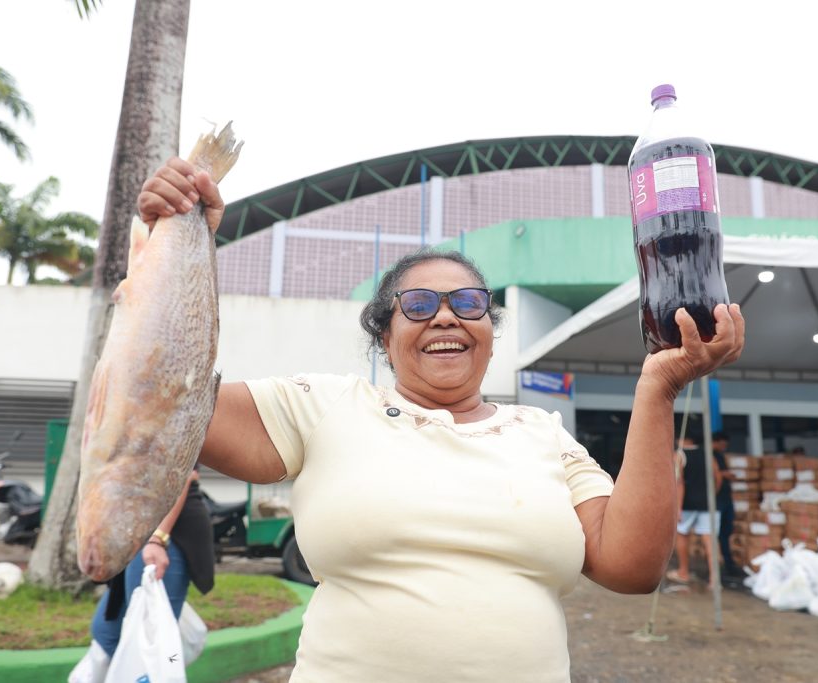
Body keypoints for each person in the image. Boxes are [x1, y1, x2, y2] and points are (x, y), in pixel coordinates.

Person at [136, 158, 745, 681]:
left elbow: (632, 568)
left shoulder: (542, 434)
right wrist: (175, 247)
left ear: (490, 332)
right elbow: (162, 405)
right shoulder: (323, 405)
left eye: (469, 303)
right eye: (420, 304)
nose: (446, 317)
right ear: (386, 336)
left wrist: (658, 389)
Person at [72, 468, 214, 680]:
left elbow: (180, 476)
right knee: (106, 634)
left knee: (149, 643)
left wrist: (158, 539)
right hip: (135, 529)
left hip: (163, 532)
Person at [668, 435, 723, 587]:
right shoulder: (708, 454)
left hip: (687, 504)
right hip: (709, 504)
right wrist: (712, 495)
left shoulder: (679, 455)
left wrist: (677, 507)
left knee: (682, 535)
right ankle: (714, 580)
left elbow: (679, 482)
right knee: (710, 540)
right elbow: (718, 477)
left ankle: (683, 572)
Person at [710, 430, 743, 582]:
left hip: (725, 499)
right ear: (716, 442)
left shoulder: (720, 455)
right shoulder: (709, 455)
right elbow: (714, 475)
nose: (725, 447)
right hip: (717, 501)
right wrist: (723, 476)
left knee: (726, 532)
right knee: (717, 534)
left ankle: (728, 563)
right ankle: (721, 565)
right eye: (723, 444)